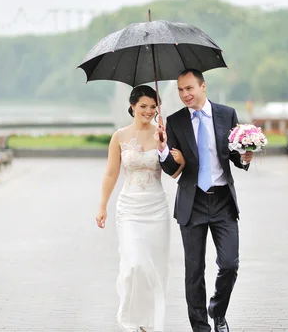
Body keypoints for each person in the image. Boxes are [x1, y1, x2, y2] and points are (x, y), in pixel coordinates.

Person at [155, 69, 254, 332]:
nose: (185, 94)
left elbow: (232, 154)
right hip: (192, 202)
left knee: (230, 264)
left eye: (189, 88)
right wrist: (163, 147)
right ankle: (200, 328)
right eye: (180, 90)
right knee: (194, 272)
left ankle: (217, 311)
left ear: (203, 86)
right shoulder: (174, 122)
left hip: (222, 201)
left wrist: (244, 158)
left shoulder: (226, 114)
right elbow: (170, 169)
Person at [95, 85, 186, 332]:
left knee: (154, 267)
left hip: (156, 209)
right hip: (129, 209)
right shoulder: (120, 137)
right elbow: (111, 173)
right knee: (134, 264)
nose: (148, 111)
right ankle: (132, 318)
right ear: (133, 106)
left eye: (153, 107)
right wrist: (102, 206)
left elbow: (175, 172)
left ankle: (148, 322)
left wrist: (176, 157)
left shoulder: (162, 133)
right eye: (143, 106)